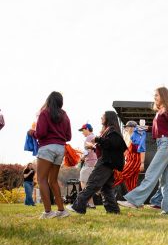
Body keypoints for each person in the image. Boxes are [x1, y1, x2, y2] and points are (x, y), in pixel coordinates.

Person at [118, 87, 168, 215]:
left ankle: (135, 200)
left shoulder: (167, 110)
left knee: (151, 173)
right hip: (161, 143)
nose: (154, 97)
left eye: (156, 95)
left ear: (163, 96)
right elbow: (159, 128)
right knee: (166, 179)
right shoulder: (160, 111)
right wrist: (146, 128)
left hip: (165, 144)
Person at [67, 111, 127, 214]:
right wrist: (94, 147)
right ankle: (113, 210)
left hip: (105, 163)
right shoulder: (110, 130)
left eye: (103, 116)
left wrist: (97, 139)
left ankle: (78, 206)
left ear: (108, 118)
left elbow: (113, 144)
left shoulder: (113, 131)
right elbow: (108, 147)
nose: (101, 117)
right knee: (106, 188)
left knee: (92, 183)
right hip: (108, 162)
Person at [28, 91, 72, 219]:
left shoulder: (44, 113)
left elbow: (40, 133)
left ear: (48, 100)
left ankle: (48, 212)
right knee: (53, 180)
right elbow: (68, 136)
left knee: (41, 179)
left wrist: (32, 133)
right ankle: (61, 210)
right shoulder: (65, 115)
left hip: (47, 148)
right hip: (60, 148)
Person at [113, 120, 146, 191]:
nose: (126, 129)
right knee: (131, 182)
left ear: (132, 128)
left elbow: (142, 150)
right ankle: (133, 200)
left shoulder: (138, 137)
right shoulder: (128, 138)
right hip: (129, 160)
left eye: (127, 127)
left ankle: (105, 187)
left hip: (135, 161)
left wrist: (142, 163)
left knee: (121, 175)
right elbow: (125, 152)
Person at [78, 123, 97, 209]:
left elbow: (87, 150)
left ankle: (90, 203)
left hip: (89, 163)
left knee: (83, 181)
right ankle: (91, 203)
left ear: (87, 129)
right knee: (89, 183)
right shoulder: (94, 136)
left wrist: (82, 157)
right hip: (94, 162)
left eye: (83, 130)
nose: (82, 132)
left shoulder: (88, 137)